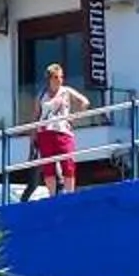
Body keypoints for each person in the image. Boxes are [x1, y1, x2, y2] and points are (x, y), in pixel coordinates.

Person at [32, 62, 91, 196]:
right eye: (56, 77)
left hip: (63, 132)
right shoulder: (41, 95)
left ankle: (70, 194)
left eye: (61, 77)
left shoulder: (66, 91)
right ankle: (52, 196)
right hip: (45, 133)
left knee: (68, 163)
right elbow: (36, 117)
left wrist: (73, 116)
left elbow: (85, 102)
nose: (59, 80)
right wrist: (33, 138)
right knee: (48, 167)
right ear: (49, 79)